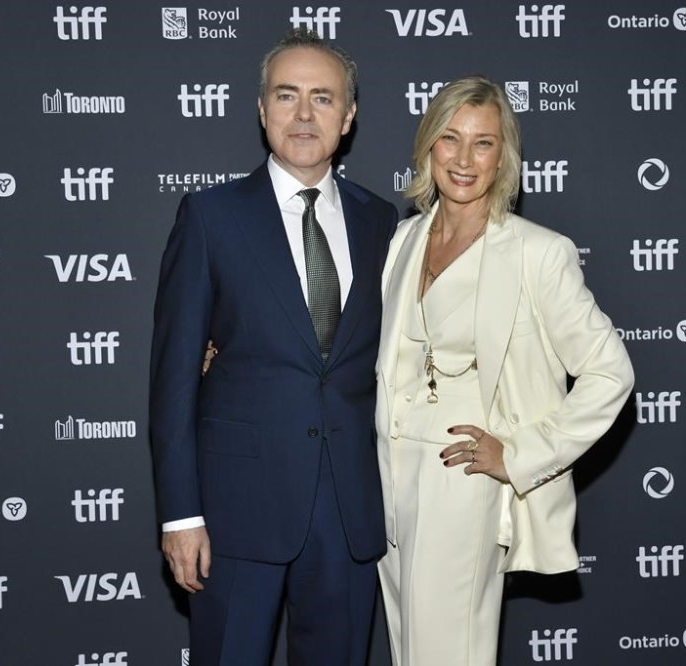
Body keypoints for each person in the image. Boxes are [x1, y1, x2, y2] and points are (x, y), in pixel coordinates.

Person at [149, 28, 398, 665]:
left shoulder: (382, 223)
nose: (304, 114)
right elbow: (173, 380)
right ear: (262, 110)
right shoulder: (211, 217)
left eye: (323, 97)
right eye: (287, 96)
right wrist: (180, 516)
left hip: (349, 512)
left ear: (349, 115)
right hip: (235, 512)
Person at [375, 76, 634, 666]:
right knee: (410, 651)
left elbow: (609, 373)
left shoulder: (536, 253)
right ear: (427, 145)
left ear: (503, 158)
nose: (464, 159)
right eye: (450, 138)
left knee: (448, 653)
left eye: (483, 143)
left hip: (464, 483)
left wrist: (519, 455)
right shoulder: (401, 241)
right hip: (388, 481)